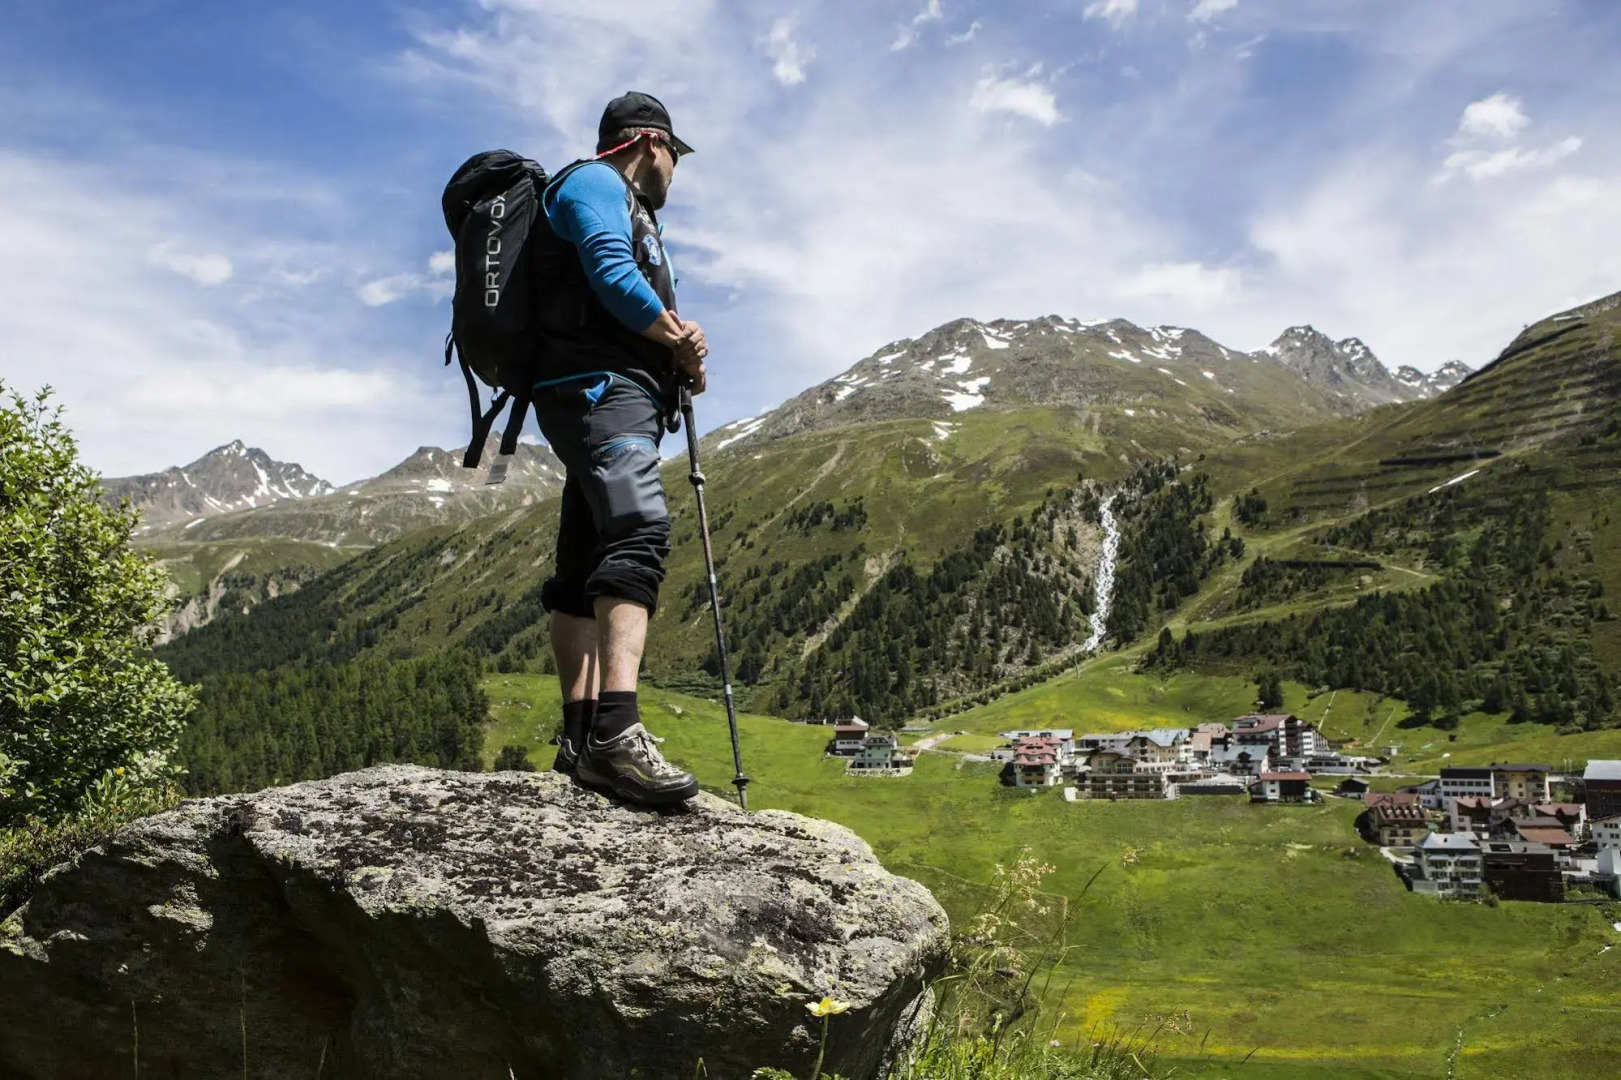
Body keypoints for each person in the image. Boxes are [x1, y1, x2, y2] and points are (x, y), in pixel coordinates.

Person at [530, 91, 707, 807]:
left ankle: (580, 738)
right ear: (650, 142)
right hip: (604, 393)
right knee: (639, 533)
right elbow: (610, 270)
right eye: (674, 155)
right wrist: (679, 338)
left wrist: (671, 355)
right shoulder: (596, 181)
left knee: (582, 562)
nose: (674, 170)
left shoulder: (614, 197)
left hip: (592, 392)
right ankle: (616, 735)